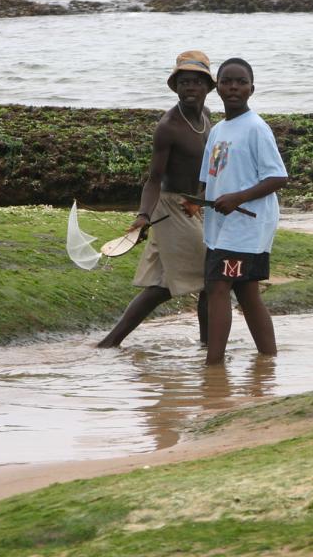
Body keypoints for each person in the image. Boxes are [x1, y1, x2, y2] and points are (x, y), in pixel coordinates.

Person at [97, 50, 215, 348]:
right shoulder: (168, 127)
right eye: (184, 82)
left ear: (208, 86)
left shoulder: (206, 116)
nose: (190, 87)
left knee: (162, 286)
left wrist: (204, 199)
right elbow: (153, 179)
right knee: (210, 277)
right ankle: (210, 350)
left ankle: (110, 343)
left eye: (196, 82)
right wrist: (143, 216)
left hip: (195, 206)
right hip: (172, 208)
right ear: (175, 87)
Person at [198, 57, 288, 366]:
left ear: (252, 88)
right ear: (217, 88)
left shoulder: (256, 128)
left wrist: (238, 198)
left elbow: (278, 177)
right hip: (221, 225)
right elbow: (210, 178)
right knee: (248, 293)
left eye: (241, 82)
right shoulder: (218, 130)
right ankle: (269, 360)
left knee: (218, 286)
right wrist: (197, 200)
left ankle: (213, 366)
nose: (233, 87)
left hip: (247, 225)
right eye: (227, 82)